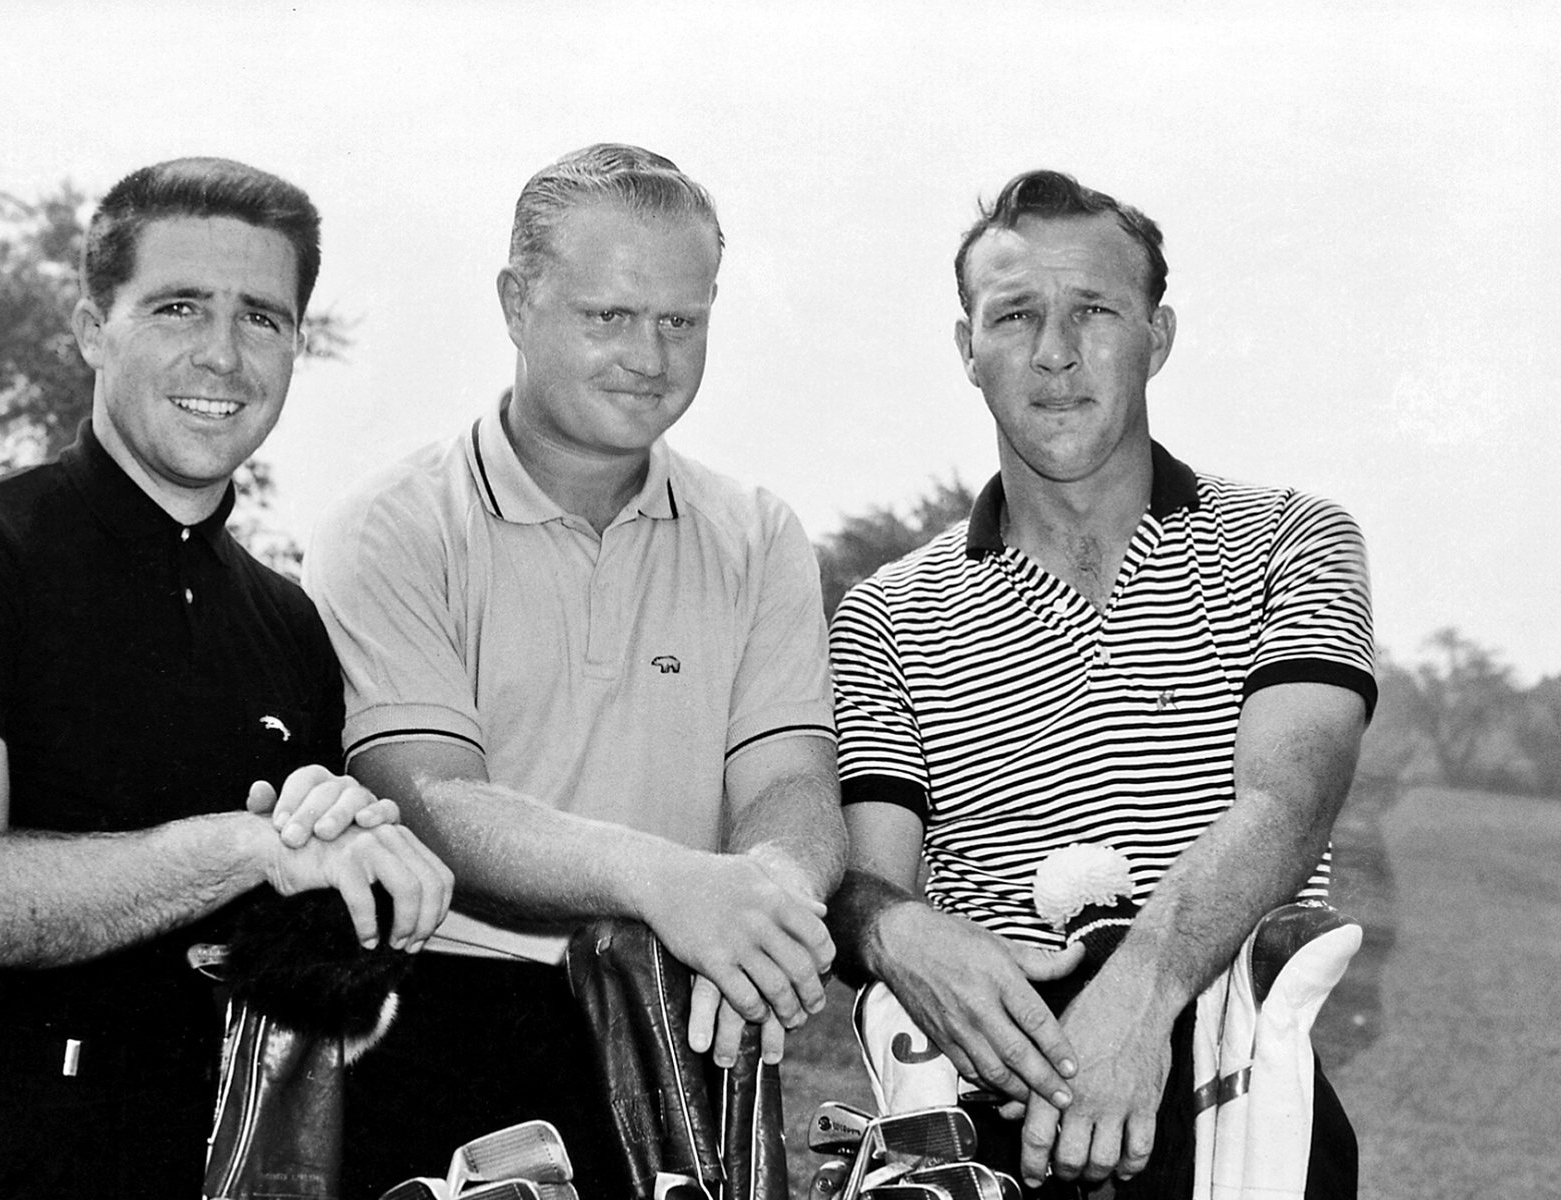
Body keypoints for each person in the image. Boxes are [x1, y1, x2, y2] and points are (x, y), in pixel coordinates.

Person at [0, 157, 453, 1200]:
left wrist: (354, 868)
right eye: (179, 307)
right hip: (9, 1154)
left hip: (234, 1147)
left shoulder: (286, 619)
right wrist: (246, 846)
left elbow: (295, 971)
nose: (223, 352)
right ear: (94, 327)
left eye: (261, 317)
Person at [304, 143, 847, 1196]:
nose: (649, 355)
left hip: (686, 1010)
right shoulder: (390, 525)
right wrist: (672, 882)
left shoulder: (759, 531)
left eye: (681, 321)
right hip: (441, 1019)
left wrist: (767, 900)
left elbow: (789, 783)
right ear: (517, 303)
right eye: (610, 316)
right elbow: (433, 799)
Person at [827, 169, 1375, 1196]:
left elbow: (1289, 800)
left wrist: (1137, 1002)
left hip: (1240, 1099)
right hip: (996, 1120)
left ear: (1157, 336)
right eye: (1015, 315)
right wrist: (897, 931)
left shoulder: (1294, 538)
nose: (1054, 352)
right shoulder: (885, 612)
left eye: (1094, 311)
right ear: (968, 348)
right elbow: (866, 880)